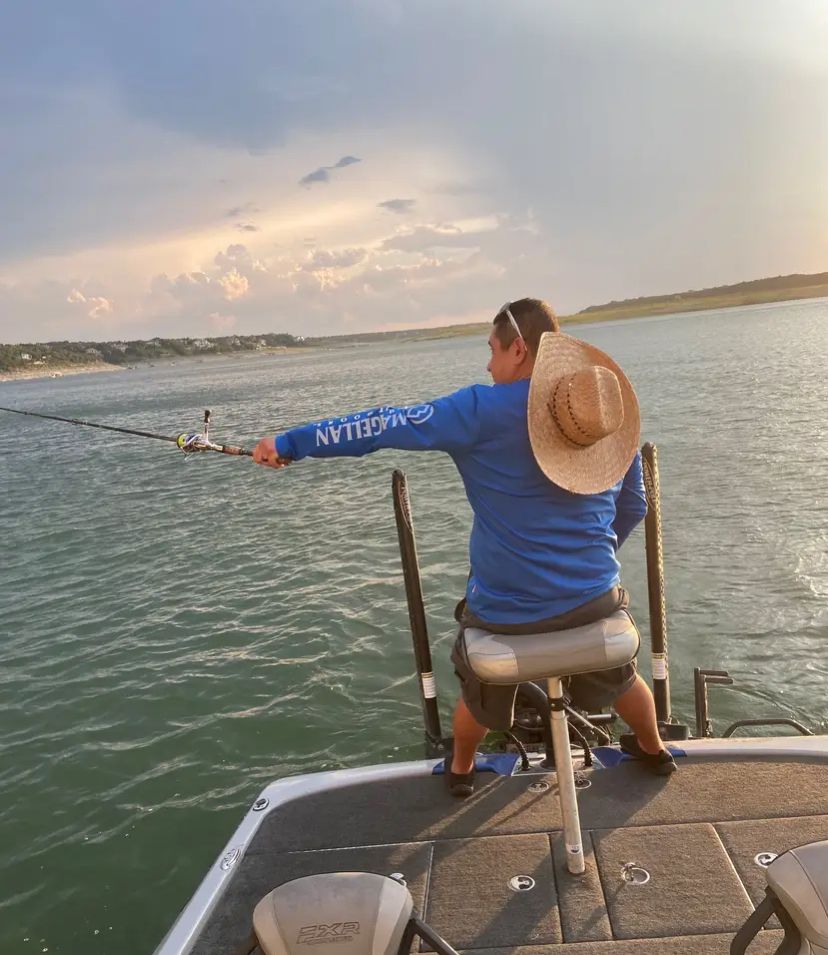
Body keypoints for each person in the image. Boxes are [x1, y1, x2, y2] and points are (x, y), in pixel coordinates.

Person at [252, 298, 676, 796]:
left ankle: (460, 769)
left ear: (518, 349)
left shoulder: (480, 409)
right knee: (623, 678)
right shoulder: (604, 416)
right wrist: (588, 566)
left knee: (478, 696)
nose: (488, 364)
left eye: (492, 351)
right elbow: (633, 507)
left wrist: (289, 443)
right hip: (595, 603)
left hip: (506, 612)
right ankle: (652, 749)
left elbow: (383, 426)